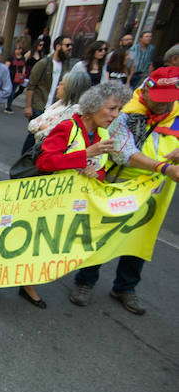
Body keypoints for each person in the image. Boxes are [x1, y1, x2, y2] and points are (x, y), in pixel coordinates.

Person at [70, 67, 179, 314]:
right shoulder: (124, 114)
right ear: (147, 91)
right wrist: (163, 167)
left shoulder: (177, 115)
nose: (165, 105)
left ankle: (126, 287)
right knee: (101, 233)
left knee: (139, 237)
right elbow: (124, 153)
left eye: (170, 98)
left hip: (156, 190)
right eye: (160, 99)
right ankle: (85, 281)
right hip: (120, 185)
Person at [29, 82, 132, 309]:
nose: (115, 115)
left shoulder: (102, 133)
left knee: (53, 247)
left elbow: (101, 167)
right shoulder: (67, 127)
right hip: (51, 200)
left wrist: (95, 173)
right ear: (94, 107)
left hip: (76, 204)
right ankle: (25, 285)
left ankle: (31, 281)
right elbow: (44, 161)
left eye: (119, 109)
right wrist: (84, 154)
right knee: (36, 244)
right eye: (112, 108)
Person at [24, 36, 74, 153]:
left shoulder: (66, 66)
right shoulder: (43, 63)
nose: (70, 48)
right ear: (58, 46)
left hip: (54, 107)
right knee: (33, 136)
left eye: (71, 46)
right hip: (39, 105)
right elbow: (31, 86)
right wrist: (28, 106)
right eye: (67, 45)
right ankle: (24, 160)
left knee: (46, 139)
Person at [27, 70, 92, 144]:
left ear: (69, 88)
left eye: (61, 84)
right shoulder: (60, 104)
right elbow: (32, 124)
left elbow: (49, 134)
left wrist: (40, 126)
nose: (58, 87)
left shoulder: (74, 112)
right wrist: (41, 126)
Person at [4, 46, 27, 114]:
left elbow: (23, 67)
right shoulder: (11, 58)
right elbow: (6, 67)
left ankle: (8, 106)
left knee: (12, 92)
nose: (17, 50)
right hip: (10, 77)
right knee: (7, 91)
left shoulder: (23, 58)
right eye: (16, 49)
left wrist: (23, 75)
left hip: (17, 78)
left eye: (19, 49)